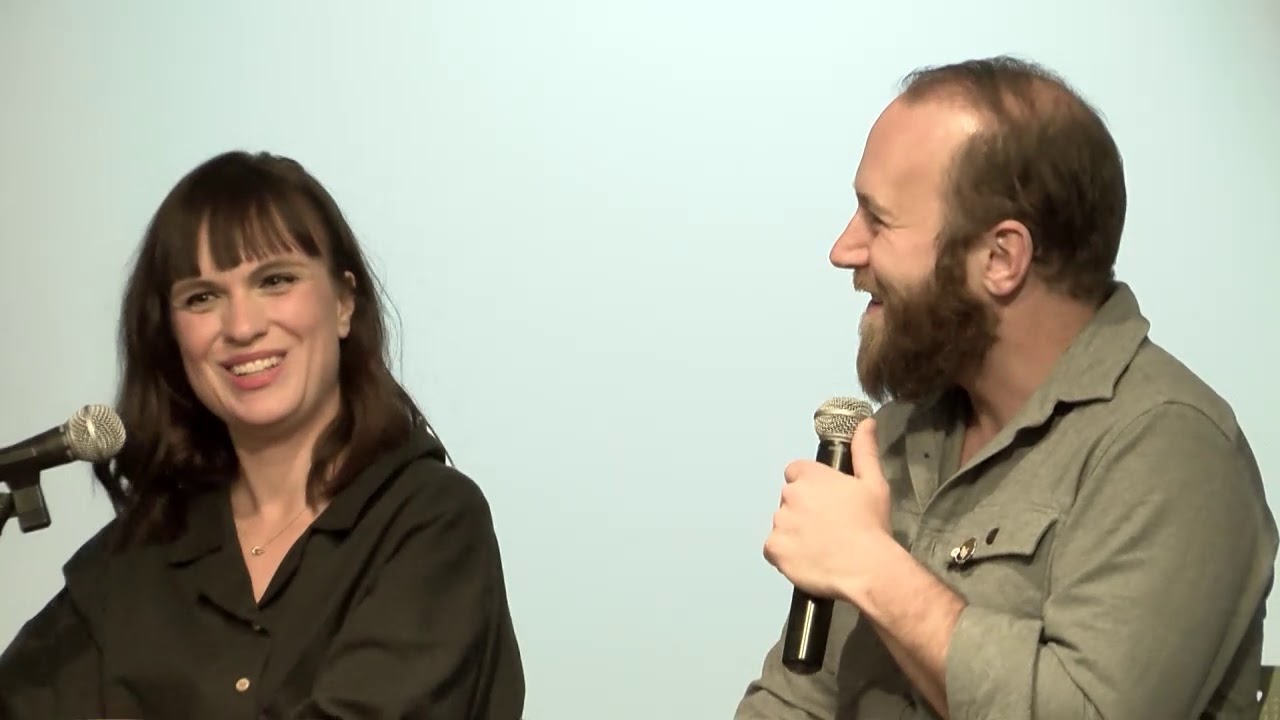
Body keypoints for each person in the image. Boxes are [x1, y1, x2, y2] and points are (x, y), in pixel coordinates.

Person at [735, 56, 1278, 719]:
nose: (844, 250)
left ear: (1000, 258)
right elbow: (800, 700)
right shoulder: (907, 430)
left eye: (877, 219)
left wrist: (874, 569)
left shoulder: (1170, 450)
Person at [0, 151, 525, 719]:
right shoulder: (136, 557)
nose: (242, 327)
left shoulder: (428, 521)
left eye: (275, 281)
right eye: (202, 297)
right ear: (171, 334)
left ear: (344, 303)